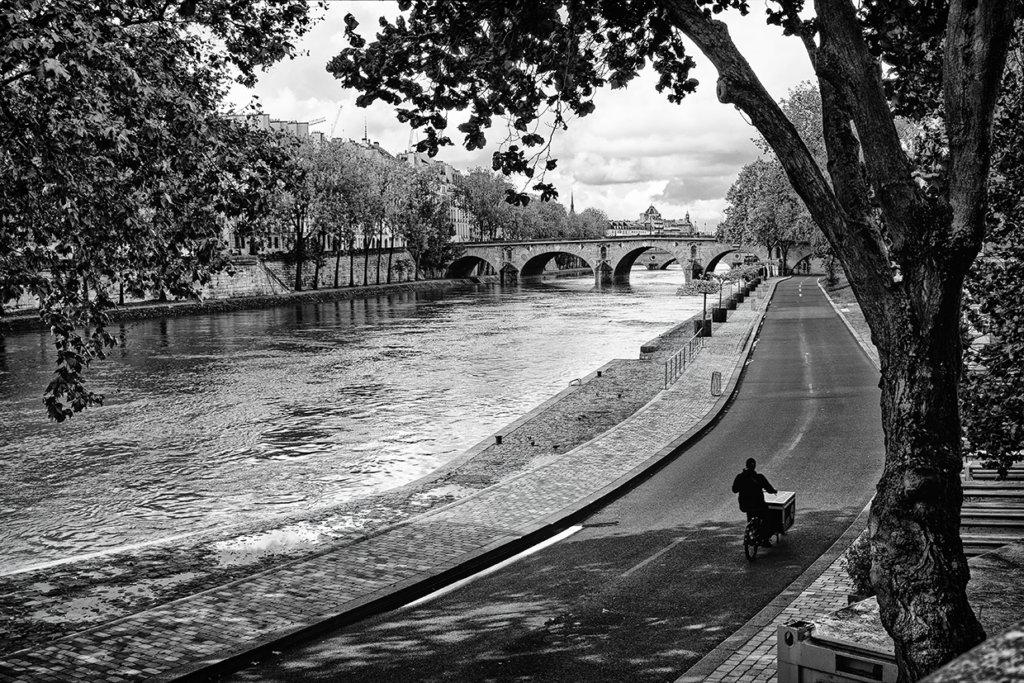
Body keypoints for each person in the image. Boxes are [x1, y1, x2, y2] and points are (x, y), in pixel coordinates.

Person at [732, 457, 777, 547]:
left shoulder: (739, 477)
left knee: (750, 512)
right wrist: (773, 491)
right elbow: (769, 488)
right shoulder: (759, 477)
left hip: (744, 505)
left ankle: (751, 532)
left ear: (746, 465)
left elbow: (734, 490)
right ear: (755, 466)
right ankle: (764, 539)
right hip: (758, 505)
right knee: (766, 516)